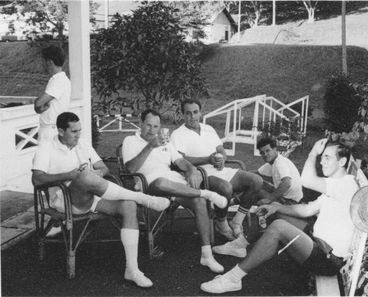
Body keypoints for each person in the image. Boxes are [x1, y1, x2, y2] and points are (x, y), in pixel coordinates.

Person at [200, 139, 360, 294]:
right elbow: (307, 210)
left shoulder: (345, 184)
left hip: (328, 258)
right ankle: (239, 245)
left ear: (341, 161)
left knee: (278, 228)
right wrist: (275, 207)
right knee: (275, 211)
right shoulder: (338, 183)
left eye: (327, 157)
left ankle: (234, 278)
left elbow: (307, 180)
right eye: (322, 156)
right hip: (318, 243)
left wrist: (313, 153)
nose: (322, 162)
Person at [32, 112, 171, 288]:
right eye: (74, 131)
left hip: (92, 196)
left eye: (80, 130)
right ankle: (142, 198)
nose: (78, 135)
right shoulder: (46, 147)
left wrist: (96, 175)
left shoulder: (82, 143)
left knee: (128, 206)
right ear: (60, 131)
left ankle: (132, 269)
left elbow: (103, 168)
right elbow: (37, 179)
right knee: (82, 176)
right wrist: (71, 175)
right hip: (65, 201)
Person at [122, 109, 228, 273]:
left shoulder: (165, 142)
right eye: (148, 125)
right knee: (162, 182)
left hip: (173, 183)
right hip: (148, 184)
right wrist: (150, 147)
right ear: (140, 123)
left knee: (199, 202)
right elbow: (130, 169)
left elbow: (180, 161)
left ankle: (206, 255)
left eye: (156, 126)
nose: (152, 130)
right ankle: (207, 193)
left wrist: (192, 169)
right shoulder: (130, 141)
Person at [170, 99, 263, 239]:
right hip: (200, 174)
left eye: (195, 112)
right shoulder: (177, 134)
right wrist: (207, 159)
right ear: (182, 115)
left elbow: (221, 149)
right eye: (188, 113)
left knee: (256, 180)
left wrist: (222, 159)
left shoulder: (209, 129)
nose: (192, 117)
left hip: (219, 170)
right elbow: (179, 160)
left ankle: (237, 221)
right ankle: (221, 221)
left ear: (200, 113)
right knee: (225, 188)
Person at [34, 45, 71, 143]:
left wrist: (37, 102)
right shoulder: (58, 79)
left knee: (43, 158)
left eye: (44, 61)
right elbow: (39, 106)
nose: (43, 64)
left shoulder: (58, 80)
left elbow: (39, 103)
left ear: (49, 62)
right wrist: (39, 105)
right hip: (53, 129)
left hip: (50, 131)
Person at [256, 136, 303, 205]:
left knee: (256, 191)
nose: (265, 154)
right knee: (256, 183)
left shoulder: (280, 163)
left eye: (267, 151)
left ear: (275, 149)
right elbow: (257, 173)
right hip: (284, 197)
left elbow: (287, 183)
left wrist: (269, 199)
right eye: (262, 153)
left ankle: (240, 205)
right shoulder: (272, 162)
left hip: (291, 202)